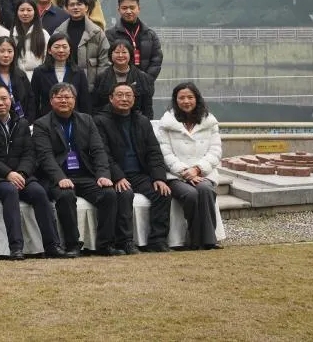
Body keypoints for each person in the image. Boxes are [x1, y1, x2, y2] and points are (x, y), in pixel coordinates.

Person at [0, 82, 68, 259]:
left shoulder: (21, 123)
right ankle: (16, 247)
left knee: (39, 192)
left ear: (11, 100)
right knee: (10, 191)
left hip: (21, 175)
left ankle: (52, 245)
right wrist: (7, 174)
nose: (1, 103)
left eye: (4, 99)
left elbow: (30, 153)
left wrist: (22, 173)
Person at [32, 83, 120, 256]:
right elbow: (45, 156)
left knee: (108, 194)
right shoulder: (41, 124)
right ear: (51, 101)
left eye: (68, 97)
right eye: (59, 97)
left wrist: (103, 175)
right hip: (58, 177)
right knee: (66, 195)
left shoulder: (87, 120)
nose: (64, 100)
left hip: (84, 175)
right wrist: (60, 178)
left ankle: (105, 244)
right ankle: (72, 244)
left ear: (74, 100)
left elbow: (98, 150)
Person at [95, 82, 170, 254]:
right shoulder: (99, 121)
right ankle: (125, 241)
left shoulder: (142, 121)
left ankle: (157, 240)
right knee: (124, 194)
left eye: (128, 95)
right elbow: (102, 153)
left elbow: (154, 151)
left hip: (139, 174)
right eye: (120, 95)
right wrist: (117, 176)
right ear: (111, 98)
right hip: (115, 175)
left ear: (134, 99)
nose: (124, 99)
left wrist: (159, 177)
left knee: (163, 192)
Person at [156, 83, 223, 250]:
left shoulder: (209, 122)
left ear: (197, 99)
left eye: (190, 97)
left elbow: (215, 151)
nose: (186, 101)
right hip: (175, 175)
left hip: (202, 173)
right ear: (175, 100)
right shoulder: (167, 123)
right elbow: (165, 153)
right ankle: (195, 239)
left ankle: (209, 240)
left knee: (206, 190)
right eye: (182, 98)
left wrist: (197, 169)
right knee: (190, 194)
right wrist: (185, 172)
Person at [106, 0, 164, 119]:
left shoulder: (150, 34)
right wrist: (124, 85)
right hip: (120, 90)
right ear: (119, 10)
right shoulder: (110, 34)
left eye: (132, 8)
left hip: (145, 89)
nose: (128, 11)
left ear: (139, 9)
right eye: (124, 8)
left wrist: (145, 80)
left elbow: (157, 60)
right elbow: (108, 60)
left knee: (144, 121)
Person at [30, 33, 92, 119]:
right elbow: (34, 101)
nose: (61, 50)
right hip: (47, 119)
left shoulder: (78, 72)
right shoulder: (39, 72)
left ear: (70, 50)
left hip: (74, 119)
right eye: (57, 47)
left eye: (64, 47)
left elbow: (85, 101)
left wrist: (85, 121)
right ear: (49, 50)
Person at [52, 0, 109, 76]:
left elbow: (104, 61)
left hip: (91, 81)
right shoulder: (59, 32)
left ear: (86, 7)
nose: (75, 7)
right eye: (72, 5)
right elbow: (52, 59)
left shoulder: (97, 32)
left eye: (79, 4)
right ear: (66, 8)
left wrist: (99, 81)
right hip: (65, 79)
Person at [92, 39, 155, 115]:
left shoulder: (142, 77)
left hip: (134, 119)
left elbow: (147, 106)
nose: (120, 55)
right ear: (111, 55)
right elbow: (96, 105)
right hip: (108, 118)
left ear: (130, 54)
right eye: (117, 52)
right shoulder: (101, 77)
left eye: (124, 52)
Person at [11, 0, 49, 78]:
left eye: (29, 10)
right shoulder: (11, 34)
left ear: (35, 12)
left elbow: (48, 59)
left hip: (38, 78)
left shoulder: (44, 34)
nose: (25, 13)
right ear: (17, 12)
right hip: (17, 78)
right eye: (22, 10)